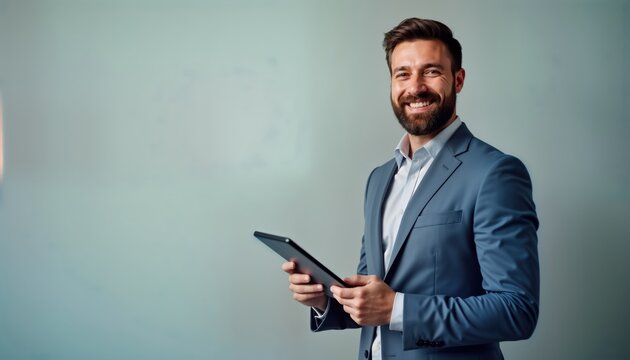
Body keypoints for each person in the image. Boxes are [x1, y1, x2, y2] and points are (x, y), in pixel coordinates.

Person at [283, 18, 539, 360]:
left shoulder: (495, 173)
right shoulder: (379, 179)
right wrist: (325, 301)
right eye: (402, 74)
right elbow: (374, 296)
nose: (415, 87)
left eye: (431, 71)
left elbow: (516, 310)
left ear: (458, 80)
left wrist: (397, 309)